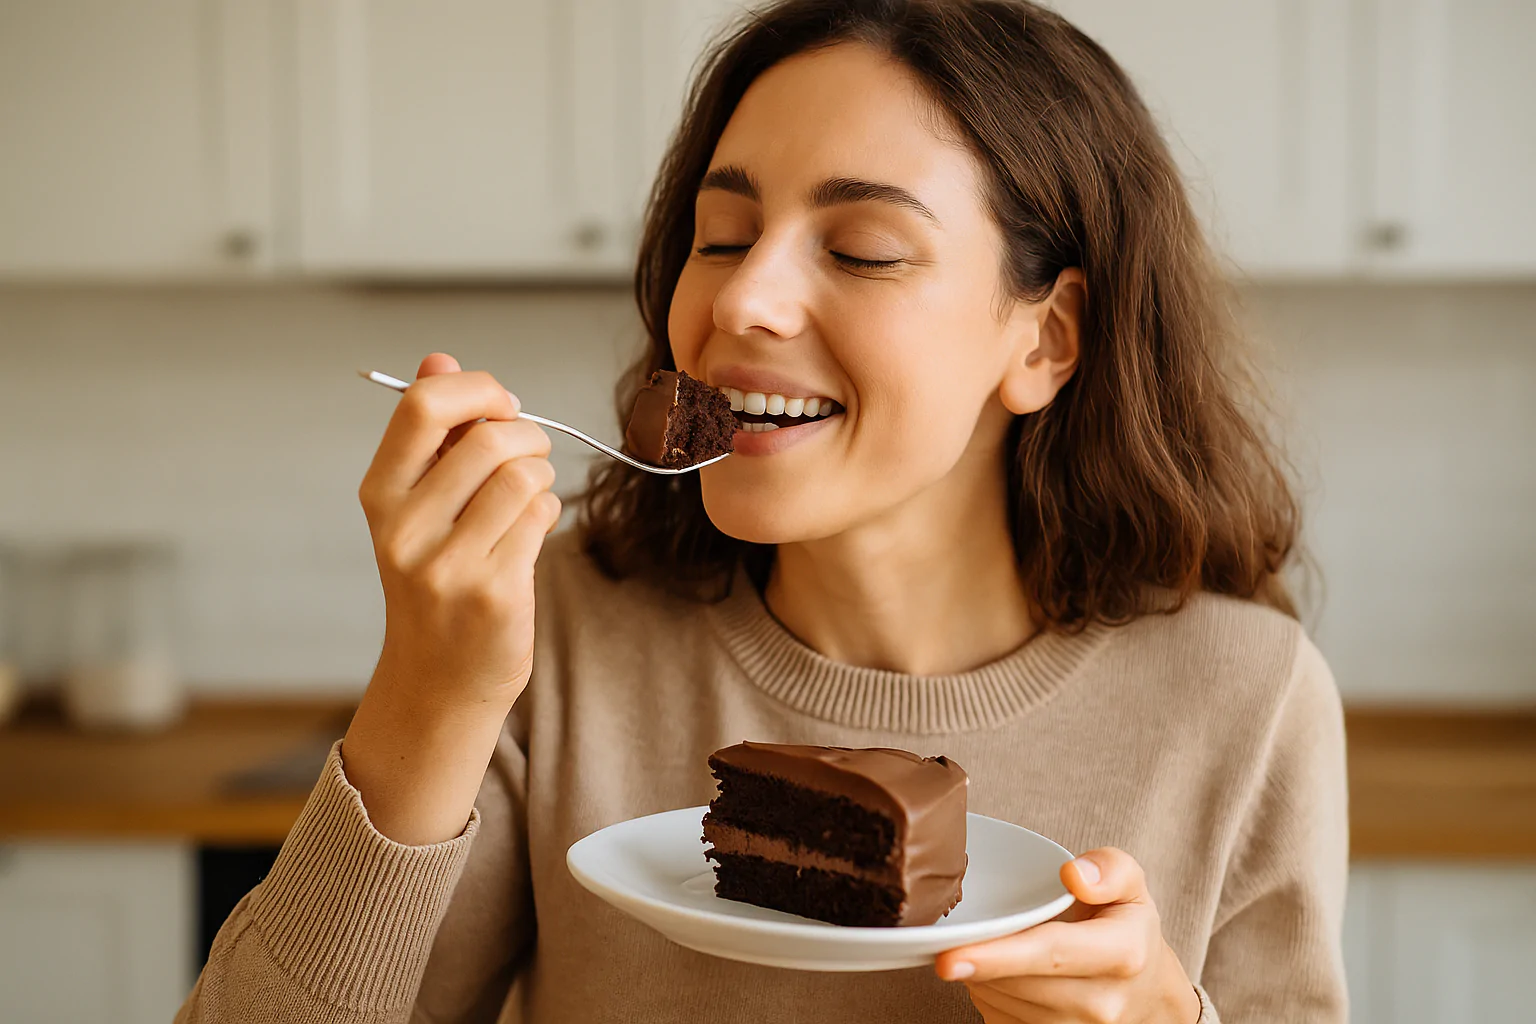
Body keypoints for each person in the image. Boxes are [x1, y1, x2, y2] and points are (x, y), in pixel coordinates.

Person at [178, 1, 1347, 1021]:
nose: (743, 295)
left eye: (864, 249)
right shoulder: (562, 637)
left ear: (1043, 339)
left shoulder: (1245, 700)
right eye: (722, 235)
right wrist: (428, 692)